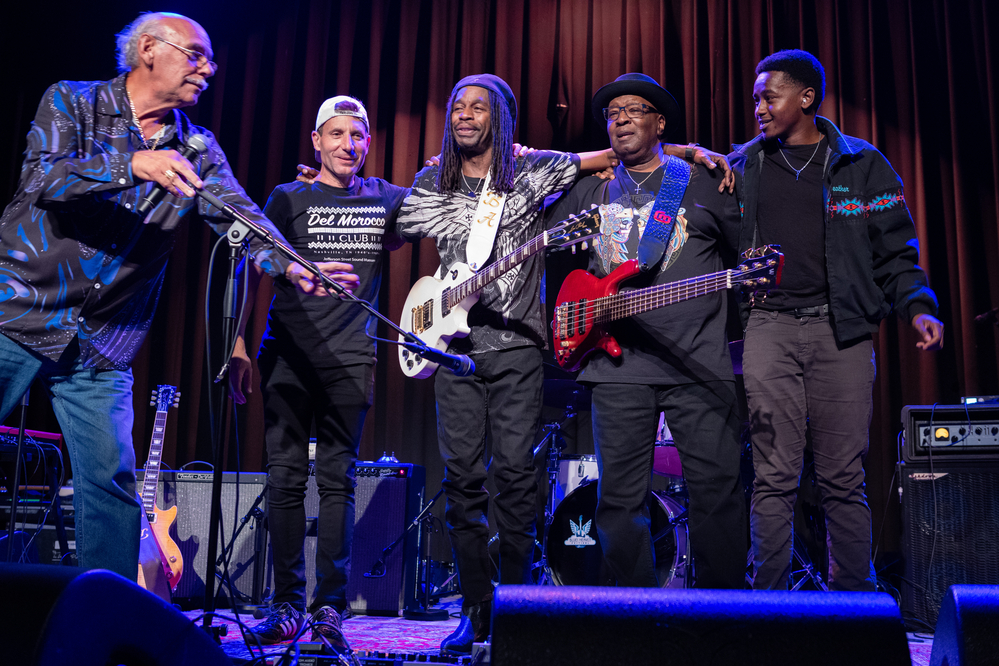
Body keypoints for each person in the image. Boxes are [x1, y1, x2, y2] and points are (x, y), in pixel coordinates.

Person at [0, 12, 318, 580]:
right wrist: (132, 164)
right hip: (18, 309)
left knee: (111, 484)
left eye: (211, 58)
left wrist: (297, 268)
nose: (209, 67)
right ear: (149, 49)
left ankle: (107, 623)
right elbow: (40, 180)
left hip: (103, 340)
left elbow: (239, 217)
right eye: (196, 53)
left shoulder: (197, 147)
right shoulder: (73, 101)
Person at [395, 74, 618, 654]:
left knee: (515, 480)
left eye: (478, 107)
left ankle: (516, 604)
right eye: (457, 107)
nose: (465, 115)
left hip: (518, 349)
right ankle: (476, 607)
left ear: (501, 117)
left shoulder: (531, 171)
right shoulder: (430, 179)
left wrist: (687, 151)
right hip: (450, 350)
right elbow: (391, 225)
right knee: (462, 482)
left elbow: (612, 152)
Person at [730, 50, 944, 591]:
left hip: (840, 332)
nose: (758, 107)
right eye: (756, 97)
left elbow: (896, 253)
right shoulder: (744, 166)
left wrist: (919, 307)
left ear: (805, 98)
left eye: (768, 96)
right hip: (769, 328)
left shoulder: (861, 164)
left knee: (842, 478)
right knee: (773, 477)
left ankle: (855, 609)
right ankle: (767, 609)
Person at [545, 73, 748, 590]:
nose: (620, 119)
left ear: (660, 123)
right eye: (613, 113)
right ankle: (636, 618)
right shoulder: (591, 189)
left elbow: (744, 255)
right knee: (617, 504)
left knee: (717, 494)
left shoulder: (700, 180)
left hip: (697, 363)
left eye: (635, 110)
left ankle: (721, 619)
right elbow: (547, 244)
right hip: (615, 366)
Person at [229, 96, 404, 655]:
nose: (348, 144)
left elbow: (445, 206)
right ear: (316, 140)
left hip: (353, 357)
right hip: (288, 354)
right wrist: (237, 342)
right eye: (337, 134)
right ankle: (285, 606)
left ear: (368, 143)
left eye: (357, 135)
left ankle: (327, 608)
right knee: (283, 480)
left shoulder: (386, 199)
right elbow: (255, 256)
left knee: (337, 481)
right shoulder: (288, 197)